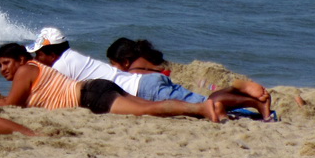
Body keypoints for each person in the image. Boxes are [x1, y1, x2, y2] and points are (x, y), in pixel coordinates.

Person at [0, 43, 223, 121]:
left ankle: (201, 108)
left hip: (93, 95)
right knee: (146, 108)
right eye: (0, 66)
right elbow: (19, 101)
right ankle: (206, 108)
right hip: (98, 87)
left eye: (5, 63)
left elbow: (13, 104)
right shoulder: (34, 68)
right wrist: (1, 99)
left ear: (21, 59)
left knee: (149, 110)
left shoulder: (25, 70)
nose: (3, 69)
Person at [106, 36, 274, 121]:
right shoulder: (143, 60)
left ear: (125, 61)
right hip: (158, 81)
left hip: (150, 88)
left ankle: (253, 101)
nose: (113, 68)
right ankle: (241, 96)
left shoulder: (129, 72)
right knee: (201, 100)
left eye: (114, 64)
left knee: (206, 104)